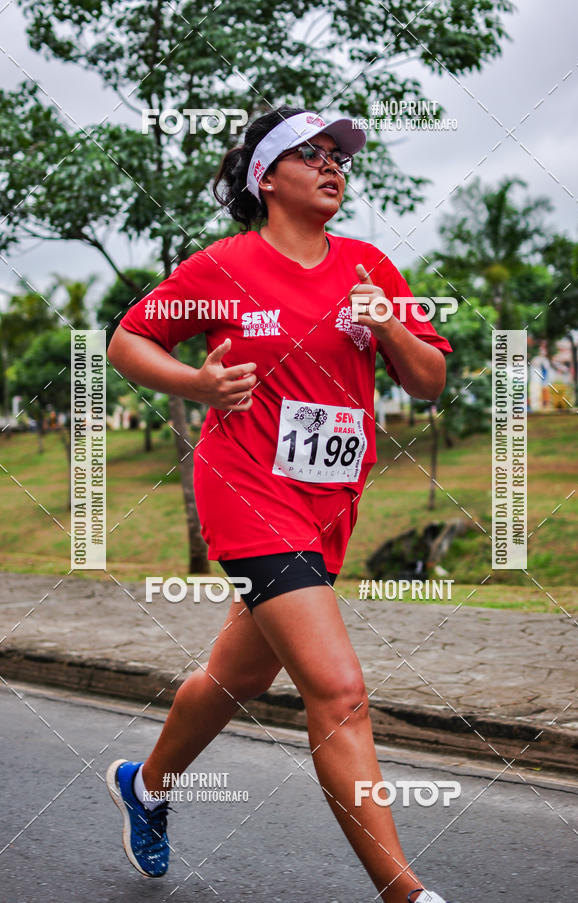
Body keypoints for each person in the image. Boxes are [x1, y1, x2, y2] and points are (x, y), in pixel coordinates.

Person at [105, 105, 454, 903]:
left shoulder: (369, 266)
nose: (333, 165)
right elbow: (127, 339)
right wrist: (197, 383)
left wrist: (388, 327)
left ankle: (145, 786)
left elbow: (429, 379)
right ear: (267, 177)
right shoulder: (222, 267)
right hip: (246, 490)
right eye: (311, 153)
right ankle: (406, 893)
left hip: (327, 506)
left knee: (240, 677)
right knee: (339, 690)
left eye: (339, 156)